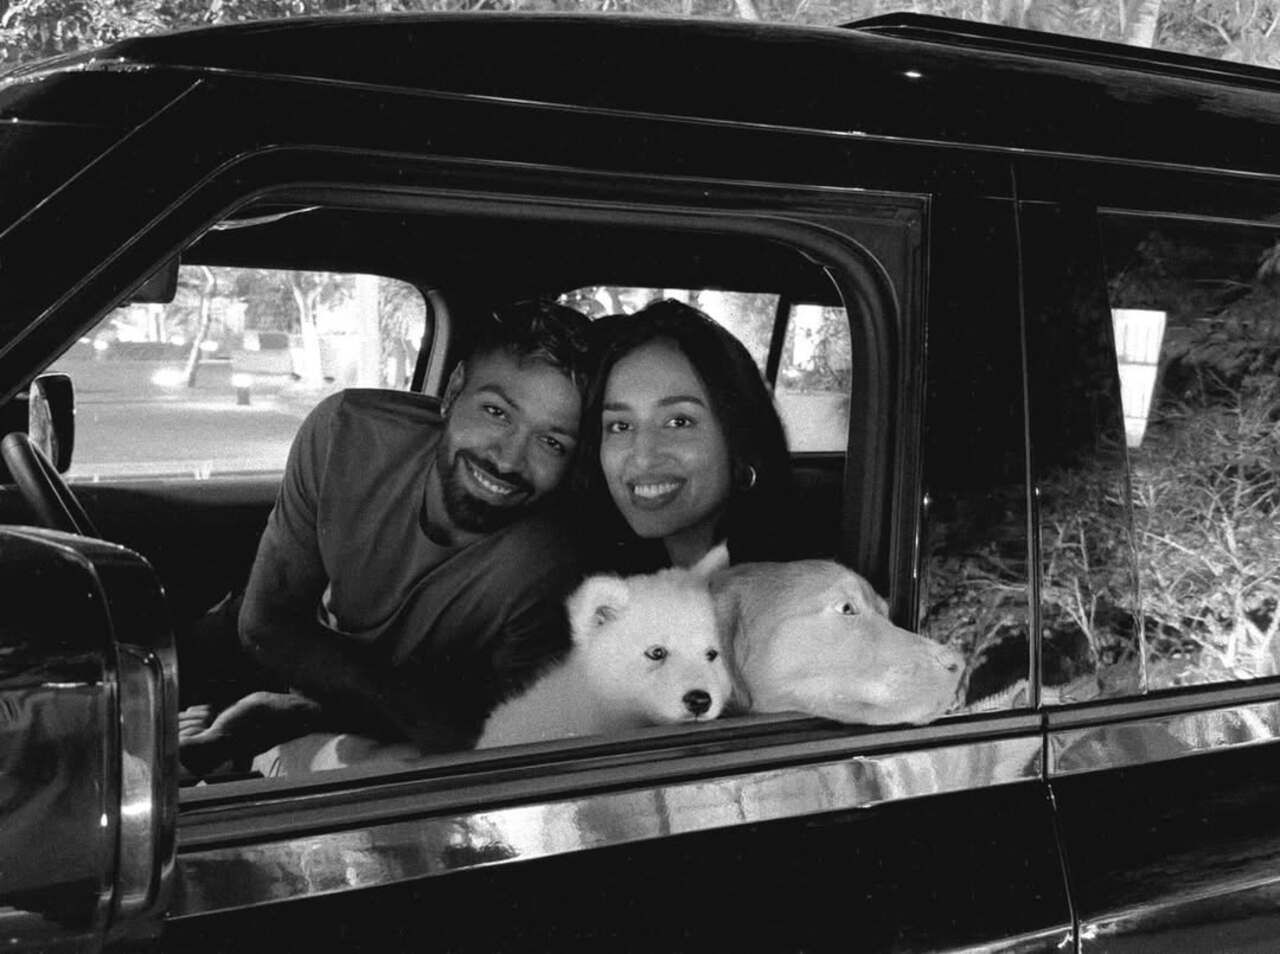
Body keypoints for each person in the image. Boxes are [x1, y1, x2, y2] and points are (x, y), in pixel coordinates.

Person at [181, 300, 593, 771]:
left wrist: (293, 714)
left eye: (552, 442)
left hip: (367, 717)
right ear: (454, 389)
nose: (508, 459)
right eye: (497, 412)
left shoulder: (554, 565)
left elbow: (492, 742)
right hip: (288, 662)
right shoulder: (346, 433)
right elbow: (264, 624)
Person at [579, 299, 795, 572]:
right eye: (621, 426)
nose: (643, 457)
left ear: (740, 434)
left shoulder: (794, 598)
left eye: (678, 422)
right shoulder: (609, 584)